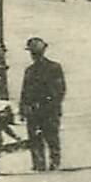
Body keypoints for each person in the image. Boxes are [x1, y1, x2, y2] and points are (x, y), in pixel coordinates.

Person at [19, 36, 67, 172]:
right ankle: (42, 163)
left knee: (49, 137)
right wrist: (23, 109)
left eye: (33, 53)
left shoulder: (53, 68)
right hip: (38, 109)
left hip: (47, 109)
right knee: (39, 137)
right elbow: (25, 91)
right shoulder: (31, 70)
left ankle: (50, 163)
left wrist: (51, 104)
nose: (33, 56)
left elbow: (60, 90)